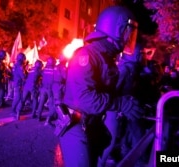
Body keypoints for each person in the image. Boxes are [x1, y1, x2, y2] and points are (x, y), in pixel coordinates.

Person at [59, 6, 143, 167]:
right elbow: (85, 99)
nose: (128, 38)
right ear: (116, 29)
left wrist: (129, 100)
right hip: (76, 127)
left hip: (94, 124)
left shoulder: (105, 57)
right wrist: (121, 103)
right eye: (128, 32)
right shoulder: (86, 55)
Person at [44, 55, 67, 126]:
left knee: (56, 103)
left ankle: (56, 118)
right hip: (59, 86)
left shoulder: (55, 67)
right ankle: (50, 120)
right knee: (58, 103)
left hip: (54, 86)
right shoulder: (62, 67)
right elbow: (65, 76)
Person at [36, 57, 56, 121]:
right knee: (51, 102)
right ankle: (50, 117)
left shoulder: (44, 69)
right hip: (50, 88)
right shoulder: (54, 69)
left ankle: (38, 116)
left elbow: (41, 76)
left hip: (43, 88)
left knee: (41, 102)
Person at [11, 53, 27, 120]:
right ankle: (13, 111)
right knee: (18, 98)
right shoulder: (20, 65)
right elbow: (22, 75)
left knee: (18, 98)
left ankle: (17, 111)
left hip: (16, 82)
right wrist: (25, 76)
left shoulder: (16, 65)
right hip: (19, 83)